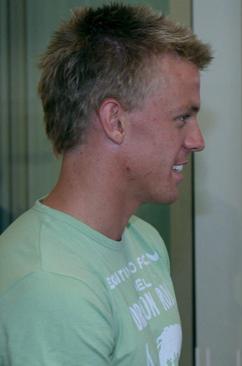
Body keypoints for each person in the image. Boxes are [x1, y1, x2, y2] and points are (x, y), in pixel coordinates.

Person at [0, 4, 212, 365]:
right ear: (115, 121)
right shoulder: (50, 284)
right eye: (182, 118)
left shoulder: (142, 239)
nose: (197, 140)